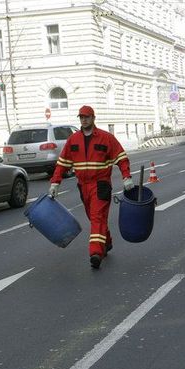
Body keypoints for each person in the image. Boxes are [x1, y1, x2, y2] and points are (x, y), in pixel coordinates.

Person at [49, 105, 134, 269]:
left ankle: (96, 253)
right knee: (96, 218)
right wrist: (55, 182)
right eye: (81, 117)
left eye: (87, 117)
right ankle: (106, 242)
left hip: (101, 184)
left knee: (96, 217)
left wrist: (126, 177)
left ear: (93, 118)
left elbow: (122, 158)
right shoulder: (73, 140)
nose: (84, 120)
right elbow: (62, 164)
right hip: (83, 186)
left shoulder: (106, 137)